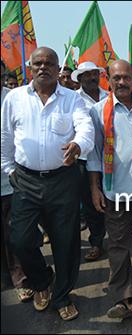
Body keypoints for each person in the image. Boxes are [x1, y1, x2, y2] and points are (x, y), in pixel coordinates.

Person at [1, 47, 94, 321]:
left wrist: (79, 143)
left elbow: (85, 128)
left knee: (65, 243)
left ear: (57, 67)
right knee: (20, 239)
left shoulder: (72, 99)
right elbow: (5, 139)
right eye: (38, 63)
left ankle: (62, 296)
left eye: (49, 63)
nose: (44, 67)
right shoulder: (15, 98)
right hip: (25, 181)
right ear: (30, 68)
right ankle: (42, 281)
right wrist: (8, 171)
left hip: (62, 180)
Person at [88, 60, 132, 319]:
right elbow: (95, 153)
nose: (121, 82)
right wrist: (94, 188)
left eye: (126, 77)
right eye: (116, 77)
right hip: (115, 189)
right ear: (108, 79)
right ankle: (122, 298)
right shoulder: (98, 111)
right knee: (118, 244)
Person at [0, 60, 34, 303]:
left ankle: (21, 278)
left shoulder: (11, 99)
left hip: (10, 180)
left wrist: (12, 171)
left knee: (15, 234)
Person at [72, 61, 110, 262]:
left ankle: (117, 237)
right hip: (84, 160)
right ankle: (97, 242)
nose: (92, 77)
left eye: (95, 73)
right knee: (90, 201)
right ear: (79, 78)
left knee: (111, 198)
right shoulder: (73, 100)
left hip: (110, 156)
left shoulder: (109, 96)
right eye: (87, 74)